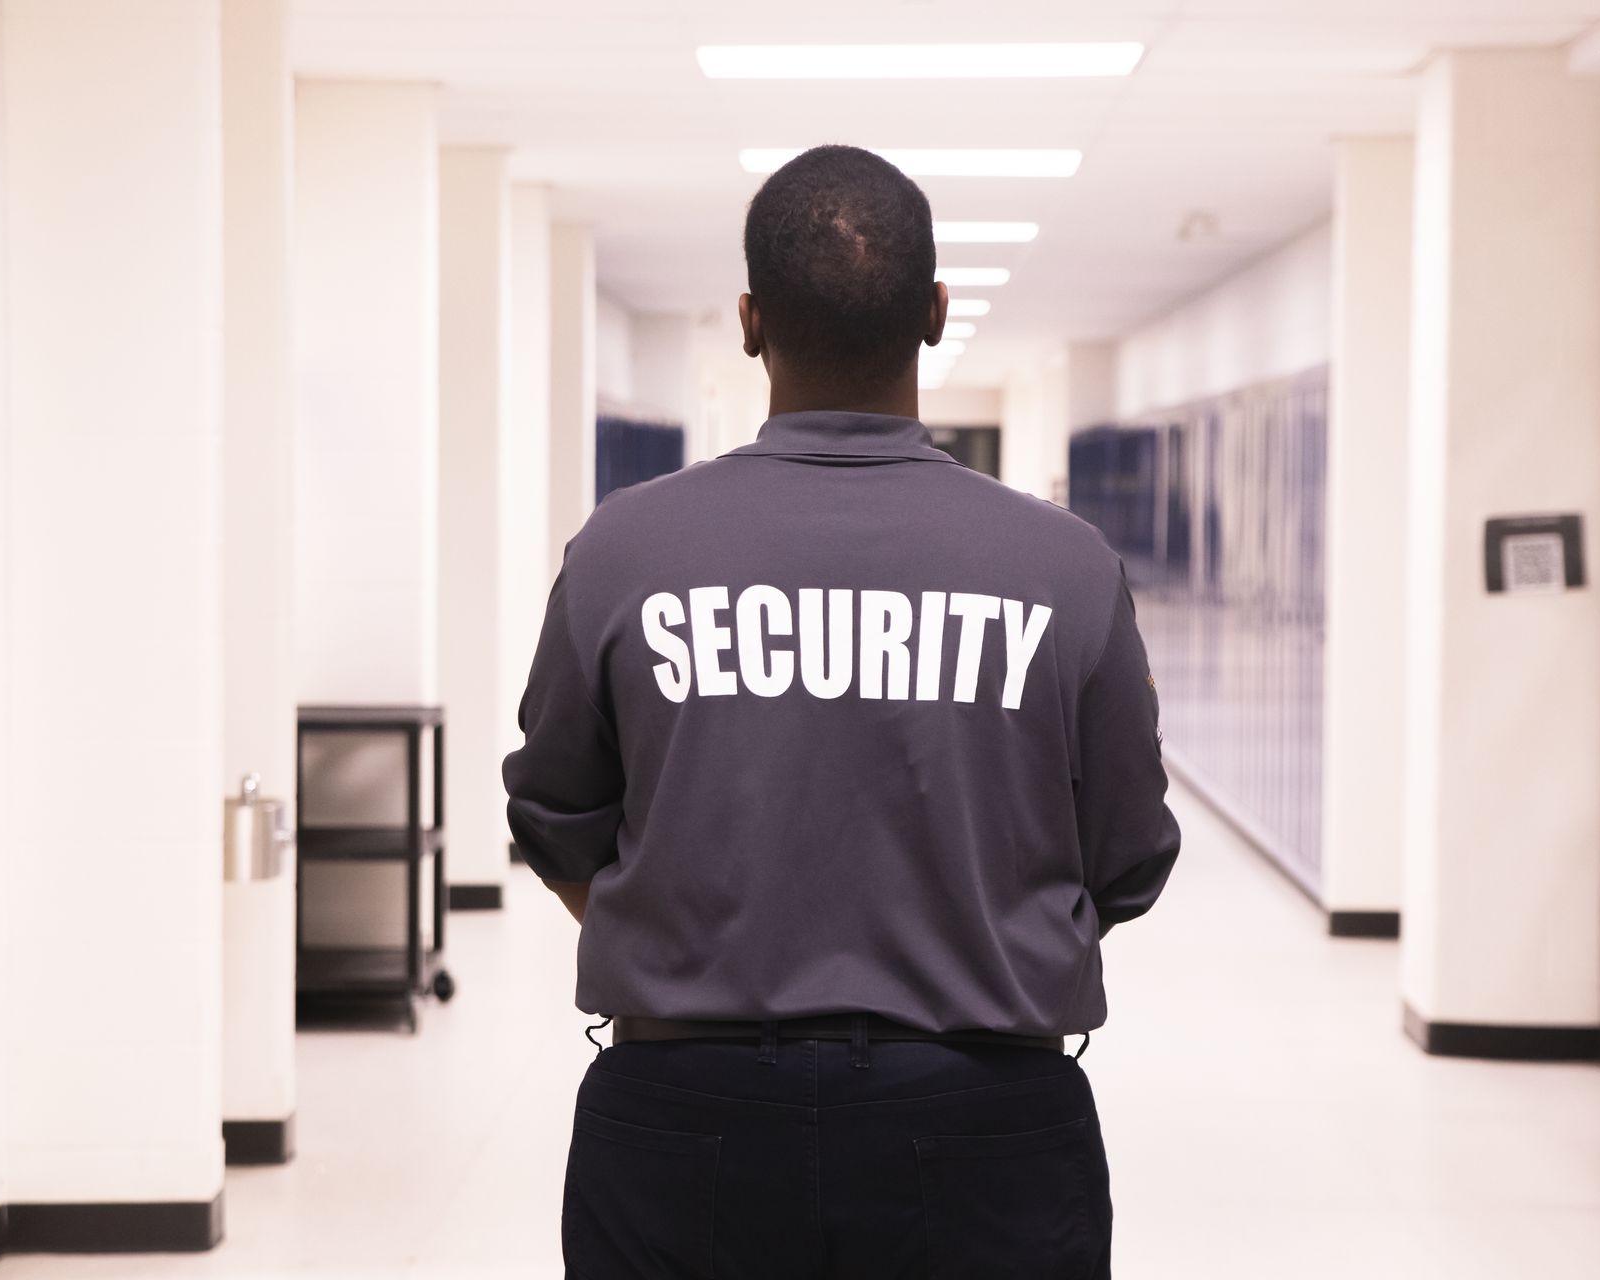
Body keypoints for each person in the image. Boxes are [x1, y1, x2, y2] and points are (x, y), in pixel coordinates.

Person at [503, 144, 1181, 1280]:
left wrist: (700, 946)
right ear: (934, 314)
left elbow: (553, 816)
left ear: (750, 321)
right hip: (986, 1123)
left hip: (683, 1117)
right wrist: (969, 936)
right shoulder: (1064, 567)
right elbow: (1129, 857)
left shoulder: (625, 549)